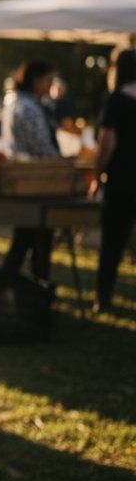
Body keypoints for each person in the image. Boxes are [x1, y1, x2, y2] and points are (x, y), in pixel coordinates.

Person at [1, 60, 61, 281]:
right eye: (48, 80)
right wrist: (62, 164)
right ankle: (37, 289)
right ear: (35, 80)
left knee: (23, 239)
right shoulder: (28, 107)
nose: (50, 85)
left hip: (23, 177)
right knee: (38, 239)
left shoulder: (15, 101)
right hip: (37, 178)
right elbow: (42, 146)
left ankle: (8, 286)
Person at [92, 47, 136, 314]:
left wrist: (98, 175)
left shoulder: (117, 101)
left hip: (123, 178)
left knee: (113, 241)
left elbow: (106, 143)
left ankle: (103, 297)